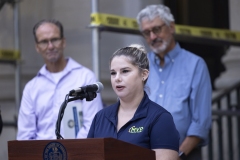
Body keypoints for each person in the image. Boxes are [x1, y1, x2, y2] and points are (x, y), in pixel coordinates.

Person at [136, 4, 212, 160]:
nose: (152, 37)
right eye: (146, 32)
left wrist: (177, 155)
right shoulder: (139, 67)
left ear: (171, 27)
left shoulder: (195, 65)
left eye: (156, 29)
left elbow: (200, 123)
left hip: (185, 155)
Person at [87, 44, 179, 160]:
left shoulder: (160, 118)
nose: (117, 78)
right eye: (113, 73)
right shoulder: (101, 117)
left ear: (144, 74)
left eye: (125, 71)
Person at [17, 19, 103, 140]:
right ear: (37, 47)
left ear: (63, 42)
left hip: (78, 154)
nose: (50, 46)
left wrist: (69, 153)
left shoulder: (85, 77)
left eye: (55, 40)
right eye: (44, 42)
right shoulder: (31, 88)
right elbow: (25, 136)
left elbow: (92, 125)